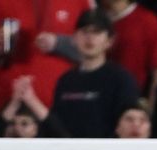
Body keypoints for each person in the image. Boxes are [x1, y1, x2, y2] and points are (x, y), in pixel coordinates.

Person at [50, 9, 139, 138]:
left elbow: (127, 127)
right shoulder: (65, 80)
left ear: (109, 41)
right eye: (85, 32)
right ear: (74, 38)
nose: (90, 38)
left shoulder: (121, 80)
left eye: (96, 32)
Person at [98, 0, 157, 102]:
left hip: (131, 102)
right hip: (97, 100)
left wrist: (152, 107)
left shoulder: (147, 20)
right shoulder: (94, 20)